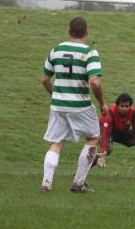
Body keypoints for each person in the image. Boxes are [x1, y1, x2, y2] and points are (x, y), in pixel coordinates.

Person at [40, 16, 108, 194]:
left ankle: (46, 183)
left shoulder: (56, 50)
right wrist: (102, 103)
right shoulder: (89, 53)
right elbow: (95, 82)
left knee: (57, 142)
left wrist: (55, 94)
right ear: (87, 32)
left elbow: (45, 79)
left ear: (69, 31)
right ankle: (78, 183)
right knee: (93, 138)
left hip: (58, 106)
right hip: (80, 105)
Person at [94, 92, 135, 178]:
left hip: (123, 131)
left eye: (127, 106)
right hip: (108, 131)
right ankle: (83, 170)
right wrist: (103, 151)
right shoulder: (110, 113)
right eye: (122, 106)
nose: (124, 108)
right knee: (107, 150)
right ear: (117, 106)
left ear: (130, 106)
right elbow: (105, 134)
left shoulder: (134, 114)